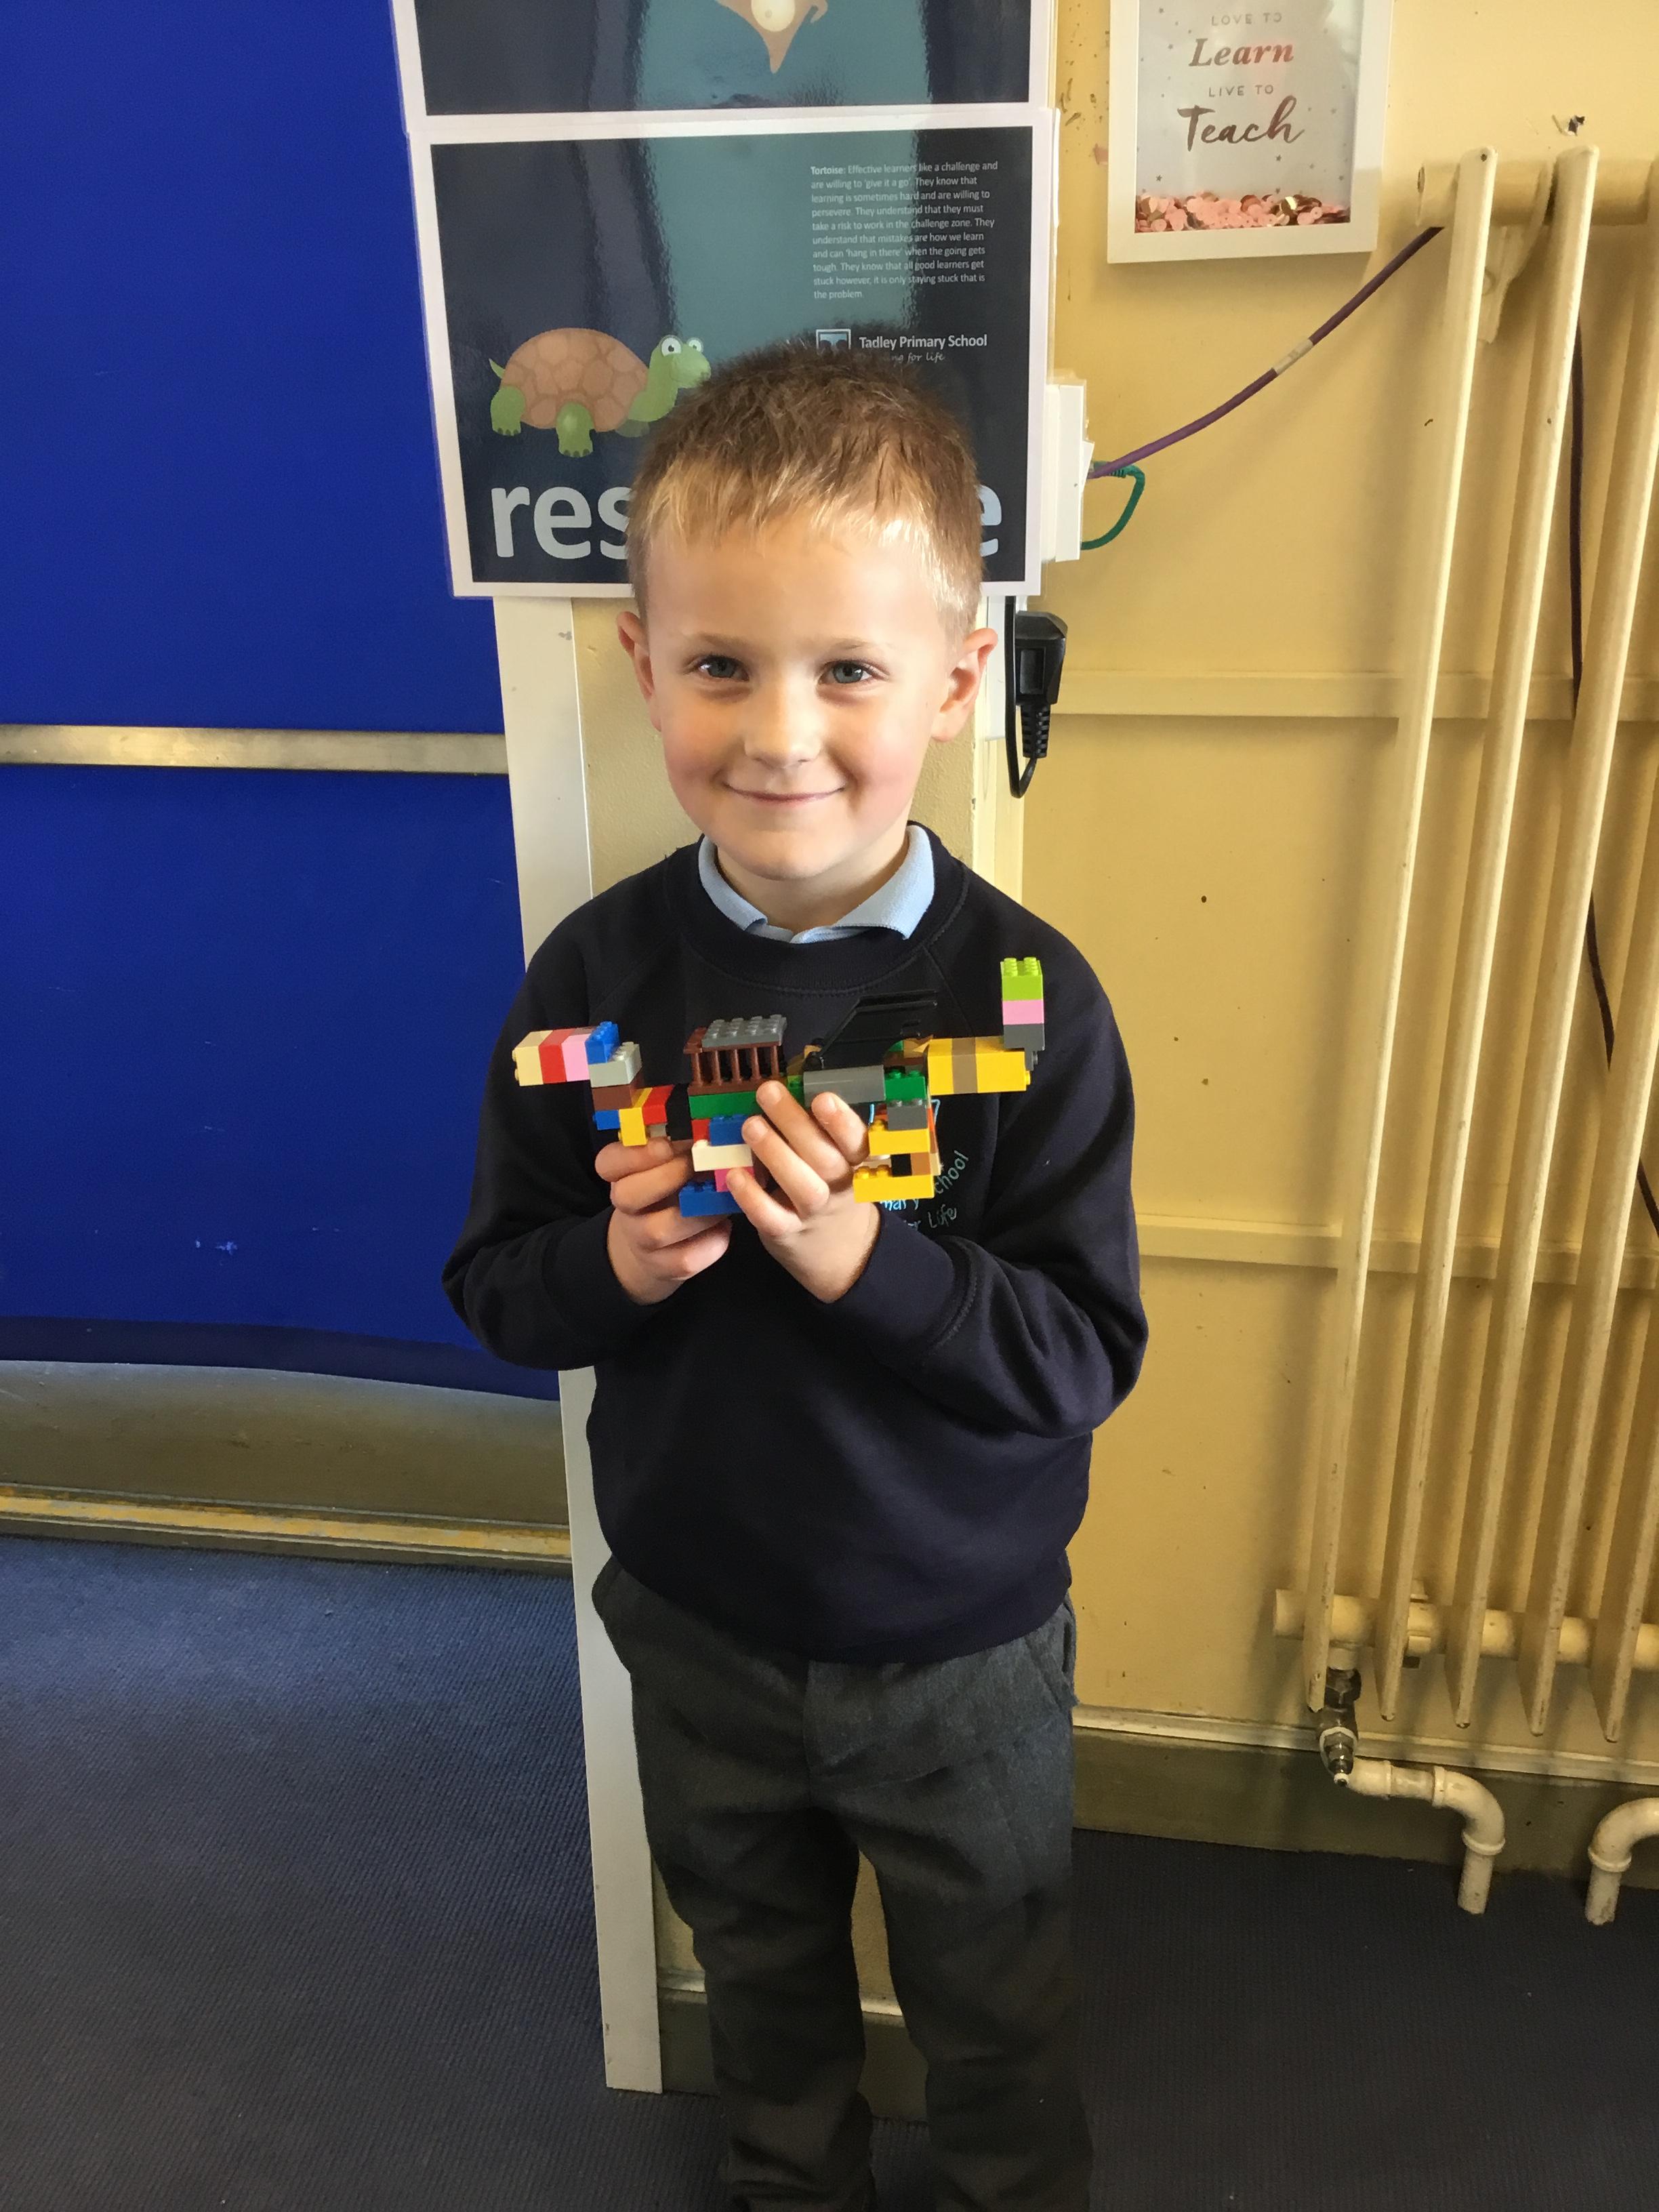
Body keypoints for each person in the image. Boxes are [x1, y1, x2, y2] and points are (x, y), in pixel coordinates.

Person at [443, 344, 1147, 2212]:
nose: (779, 734)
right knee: (758, 1983)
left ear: (958, 677)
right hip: (700, 1620)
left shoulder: (1030, 1000)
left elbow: (1082, 1356)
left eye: (847, 669)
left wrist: (869, 1266)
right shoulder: (594, 978)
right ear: (641, 662)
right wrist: (617, 1263)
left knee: (997, 2000)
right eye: (720, 666)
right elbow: (499, 1289)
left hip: (961, 1641)